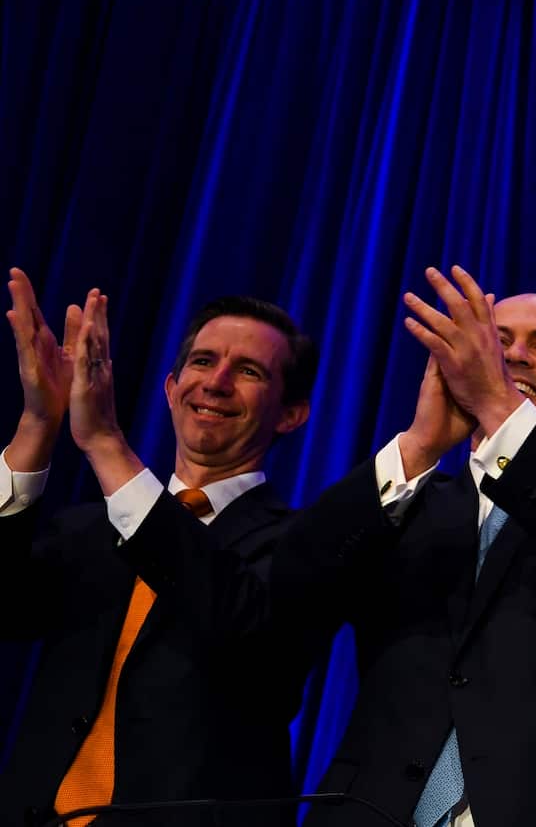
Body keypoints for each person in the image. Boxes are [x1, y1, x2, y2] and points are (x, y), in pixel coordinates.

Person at [114, 266, 536, 826]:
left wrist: (501, 410)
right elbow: (289, 588)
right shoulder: (405, 499)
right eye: (496, 341)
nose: (511, 357)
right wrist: (418, 445)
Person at [0, 269, 319, 827]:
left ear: (291, 414)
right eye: (202, 361)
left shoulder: (306, 544)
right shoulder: (83, 532)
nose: (215, 383)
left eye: (247, 371)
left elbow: (240, 629)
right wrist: (37, 423)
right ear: (171, 389)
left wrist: (104, 442)